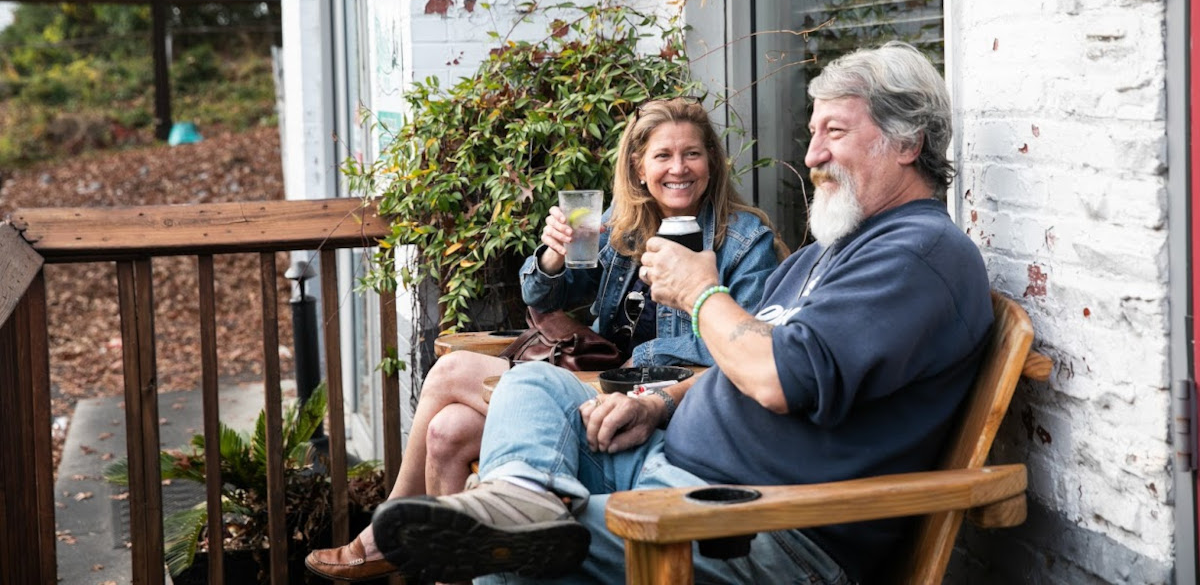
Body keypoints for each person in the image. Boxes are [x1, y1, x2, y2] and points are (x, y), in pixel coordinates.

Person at [365, 41, 995, 585]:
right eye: (812, 133)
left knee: (514, 554)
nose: (811, 156)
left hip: (756, 525)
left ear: (907, 142)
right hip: (675, 464)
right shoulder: (831, 252)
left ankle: (519, 522)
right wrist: (657, 405)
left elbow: (773, 375)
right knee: (533, 385)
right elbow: (739, 357)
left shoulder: (921, 255)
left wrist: (700, 293)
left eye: (835, 132)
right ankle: (526, 497)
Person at [305, 96, 783, 582]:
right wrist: (554, 256)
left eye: (692, 154)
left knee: (451, 371)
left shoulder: (743, 242)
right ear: (639, 167)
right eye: (663, 155)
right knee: (447, 430)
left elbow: (742, 356)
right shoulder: (622, 227)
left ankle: (381, 536)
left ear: (712, 163)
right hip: (601, 388)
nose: (678, 168)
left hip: (656, 409)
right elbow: (541, 294)